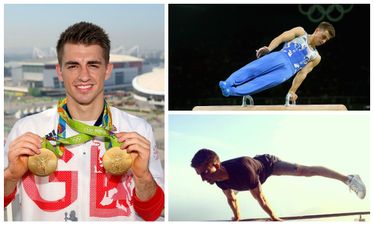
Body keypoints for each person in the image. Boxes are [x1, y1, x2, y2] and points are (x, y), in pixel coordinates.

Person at [4, 22, 164, 221]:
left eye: (93, 65)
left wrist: (142, 176)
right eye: (73, 66)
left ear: (107, 70)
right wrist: (10, 175)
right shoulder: (26, 129)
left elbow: (152, 213)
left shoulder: (139, 130)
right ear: (59, 71)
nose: (84, 76)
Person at [191, 149, 366, 221]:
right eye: (199, 174)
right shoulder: (218, 180)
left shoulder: (243, 168)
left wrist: (274, 218)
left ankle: (349, 178)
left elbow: (261, 198)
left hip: (268, 165)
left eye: (205, 172)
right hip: (244, 178)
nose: (203, 178)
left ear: (217, 165)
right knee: (232, 193)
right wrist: (237, 218)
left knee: (305, 171)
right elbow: (231, 200)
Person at [219, 21, 335, 102]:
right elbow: (281, 37)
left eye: (327, 40)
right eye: (323, 36)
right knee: (252, 69)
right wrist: (269, 48)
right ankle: (228, 82)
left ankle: (231, 91)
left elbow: (302, 74)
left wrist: (291, 91)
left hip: (287, 71)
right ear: (317, 30)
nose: (324, 41)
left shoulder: (316, 57)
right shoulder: (300, 32)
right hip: (280, 56)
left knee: (261, 83)